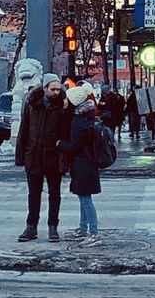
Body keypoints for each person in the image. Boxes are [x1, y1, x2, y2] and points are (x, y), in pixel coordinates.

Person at [14, 73, 71, 242]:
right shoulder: (31, 105)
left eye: (58, 89)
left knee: (54, 193)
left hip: (53, 156)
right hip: (34, 155)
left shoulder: (63, 106)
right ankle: (31, 226)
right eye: (52, 89)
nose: (56, 92)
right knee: (34, 193)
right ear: (44, 88)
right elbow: (23, 130)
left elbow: (66, 132)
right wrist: (20, 156)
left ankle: (53, 227)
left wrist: (64, 158)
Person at [58, 81, 102, 246]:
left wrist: (59, 144)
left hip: (83, 164)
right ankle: (83, 229)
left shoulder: (78, 122)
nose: (64, 102)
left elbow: (74, 147)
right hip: (86, 163)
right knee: (84, 198)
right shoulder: (86, 117)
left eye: (66, 100)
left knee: (85, 199)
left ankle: (93, 233)